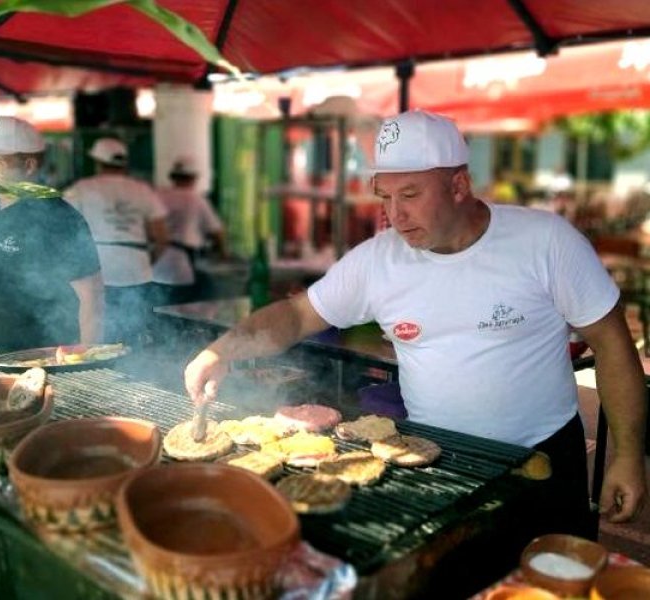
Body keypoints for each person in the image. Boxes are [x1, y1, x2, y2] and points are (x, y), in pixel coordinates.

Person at [184, 110, 646, 538]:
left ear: (459, 185)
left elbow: (611, 343)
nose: (394, 216)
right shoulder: (377, 261)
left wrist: (626, 456)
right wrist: (221, 350)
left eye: (410, 195)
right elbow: (297, 314)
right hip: (434, 457)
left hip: (542, 455)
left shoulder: (546, 242)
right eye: (385, 196)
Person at [0, 116, 103, 359]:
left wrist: (85, 359)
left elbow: (91, 296)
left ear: (29, 165)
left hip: (43, 356)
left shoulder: (59, 218)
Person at [64, 137, 168, 346]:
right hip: (137, 269)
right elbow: (162, 238)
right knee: (135, 334)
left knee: (100, 332)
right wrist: (146, 261)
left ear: (98, 162)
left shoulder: (82, 188)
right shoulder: (142, 190)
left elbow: (65, 229)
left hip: (99, 270)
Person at [152, 156, 229, 306]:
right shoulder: (196, 199)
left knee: (160, 310)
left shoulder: (158, 195)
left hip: (157, 263)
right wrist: (223, 253)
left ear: (172, 177)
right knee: (192, 307)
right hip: (182, 266)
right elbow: (217, 232)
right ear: (194, 178)